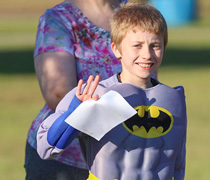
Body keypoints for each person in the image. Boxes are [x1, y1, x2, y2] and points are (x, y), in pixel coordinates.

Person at [37, 2, 187, 180]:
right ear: (116, 49)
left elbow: (178, 162)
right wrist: (75, 113)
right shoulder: (95, 94)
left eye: (155, 45)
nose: (147, 54)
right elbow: (47, 148)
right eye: (137, 45)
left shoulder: (173, 98)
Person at [25, 0, 129, 179]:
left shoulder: (135, 13)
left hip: (124, 157)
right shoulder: (59, 19)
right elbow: (58, 94)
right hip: (65, 158)